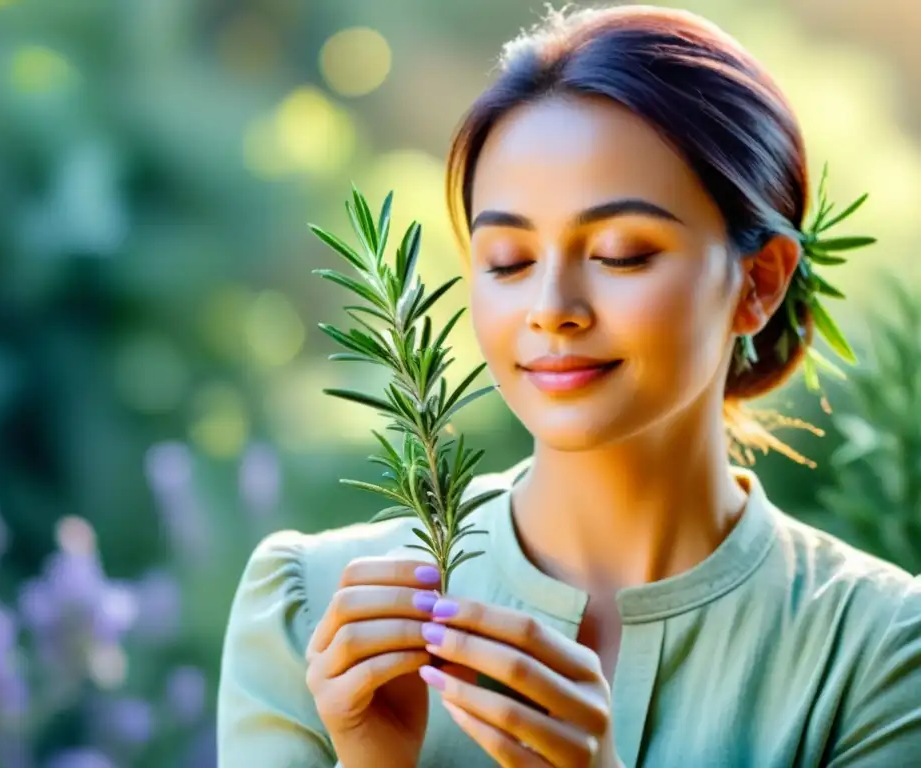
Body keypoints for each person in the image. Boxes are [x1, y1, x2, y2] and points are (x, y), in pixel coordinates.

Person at [217, 5, 921, 767]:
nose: (551, 310)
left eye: (620, 253)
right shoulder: (315, 614)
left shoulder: (878, 651)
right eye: (510, 261)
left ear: (758, 281)